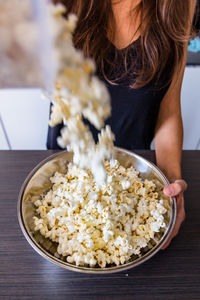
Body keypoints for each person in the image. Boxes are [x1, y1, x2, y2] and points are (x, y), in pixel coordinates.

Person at [47, 0, 200, 248]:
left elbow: (169, 107)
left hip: (132, 176)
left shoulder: (181, 4)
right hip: (65, 173)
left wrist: (171, 182)